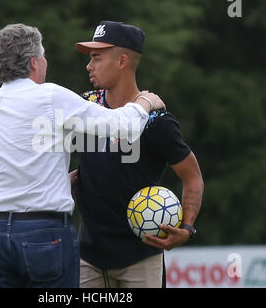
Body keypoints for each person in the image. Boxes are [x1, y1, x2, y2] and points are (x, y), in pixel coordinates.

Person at [0, 23, 165, 288]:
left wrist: (58, 181)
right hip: (44, 233)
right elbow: (121, 127)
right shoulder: (50, 96)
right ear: (34, 62)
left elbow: (0, 166)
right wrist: (145, 103)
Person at [72, 20, 204, 288]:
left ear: (122, 61)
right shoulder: (84, 106)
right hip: (87, 258)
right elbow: (34, 119)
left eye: (96, 57)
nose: (89, 65)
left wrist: (187, 228)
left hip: (141, 259)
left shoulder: (156, 120)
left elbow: (193, 177)